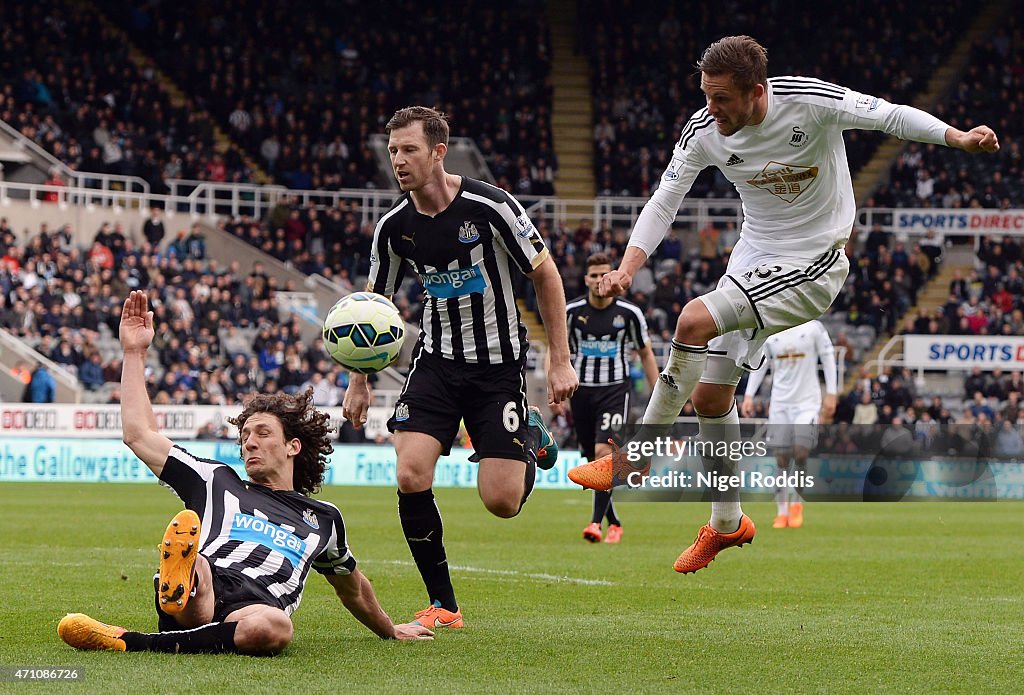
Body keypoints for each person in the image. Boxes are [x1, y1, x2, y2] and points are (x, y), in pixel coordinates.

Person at [569, 35, 999, 574]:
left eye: (722, 98)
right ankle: (727, 525)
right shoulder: (705, 130)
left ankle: (636, 456)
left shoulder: (809, 102)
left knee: (692, 320)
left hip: (816, 261)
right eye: (706, 94)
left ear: (756, 91)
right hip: (754, 258)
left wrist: (956, 137)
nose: (711, 108)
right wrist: (629, 267)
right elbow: (665, 198)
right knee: (709, 397)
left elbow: (889, 117)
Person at [58, 291, 432, 655]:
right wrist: (134, 352)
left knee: (275, 628)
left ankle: (135, 638)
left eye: (263, 433)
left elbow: (353, 588)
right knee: (200, 568)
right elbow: (139, 434)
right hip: (209, 581)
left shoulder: (324, 519)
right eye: (245, 435)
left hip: (258, 606)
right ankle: (179, 579)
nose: (249, 443)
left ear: (293, 446)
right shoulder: (215, 480)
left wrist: (389, 629)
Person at [343, 106, 578, 628]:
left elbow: (546, 275)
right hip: (435, 365)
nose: (398, 161)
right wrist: (357, 381)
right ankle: (444, 604)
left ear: (438, 152)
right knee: (409, 473)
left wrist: (559, 359)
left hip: (497, 371)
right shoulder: (393, 227)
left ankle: (528, 437)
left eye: (409, 150)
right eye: (393, 151)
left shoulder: (491, 207)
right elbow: (373, 303)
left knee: (501, 503)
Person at [566, 252, 659, 543]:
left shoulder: (629, 314)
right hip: (581, 393)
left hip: (614, 391)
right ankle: (614, 522)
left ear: (612, 276)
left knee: (603, 457)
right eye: (593, 275)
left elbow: (645, 352)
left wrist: (660, 395)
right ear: (586, 279)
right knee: (591, 462)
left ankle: (595, 524)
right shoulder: (571, 312)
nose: (598, 280)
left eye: (604, 274)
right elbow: (559, 350)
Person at [740, 320, 838, 529]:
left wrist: (831, 392)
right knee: (781, 458)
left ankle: (796, 504)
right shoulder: (771, 328)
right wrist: (749, 395)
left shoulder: (813, 327)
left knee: (801, 452)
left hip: (807, 402)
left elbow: (828, 356)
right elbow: (760, 363)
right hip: (780, 403)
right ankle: (781, 511)